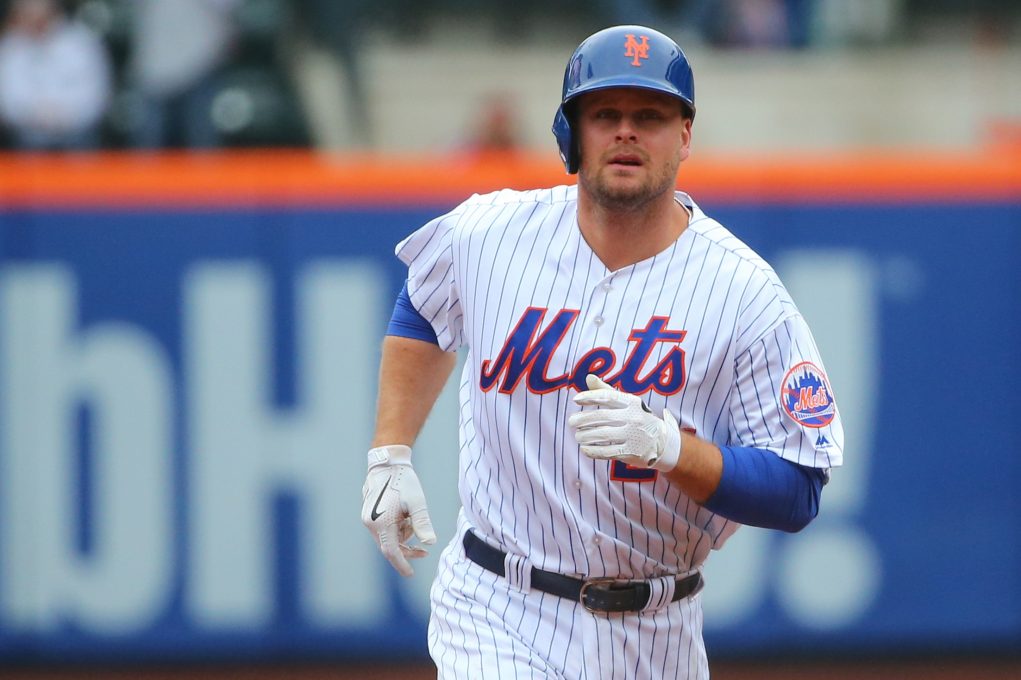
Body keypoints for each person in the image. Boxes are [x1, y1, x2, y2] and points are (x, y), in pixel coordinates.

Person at [361, 24, 844, 678]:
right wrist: (390, 452)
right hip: (498, 605)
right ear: (571, 132)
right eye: (604, 114)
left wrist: (672, 448)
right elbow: (421, 303)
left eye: (649, 115)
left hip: (658, 629)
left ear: (684, 136)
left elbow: (795, 489)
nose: (625, 132)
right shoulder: (489, 232)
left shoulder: (743, 293)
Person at [0, 0, 112, 151]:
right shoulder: (11, 46)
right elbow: (7, 97)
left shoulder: (81, 43)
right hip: (26, 135)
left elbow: (96, 94)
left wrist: (64, 115)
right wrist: (34, 114)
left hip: (77, 133)